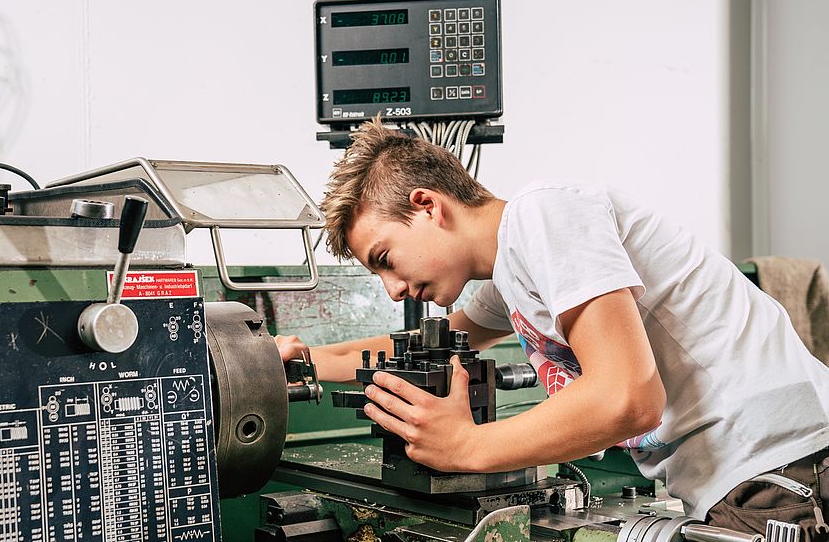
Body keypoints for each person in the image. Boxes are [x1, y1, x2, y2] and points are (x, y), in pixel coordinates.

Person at [276, 117, 829, 540]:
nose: (392, 288)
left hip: (782, 472)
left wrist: (466, 445)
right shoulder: (514, 271)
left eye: (385, 258)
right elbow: (431, 344)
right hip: (750, 477)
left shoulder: (546, 214)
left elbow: (628, 399)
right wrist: (298, 359)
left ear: (427, 206)